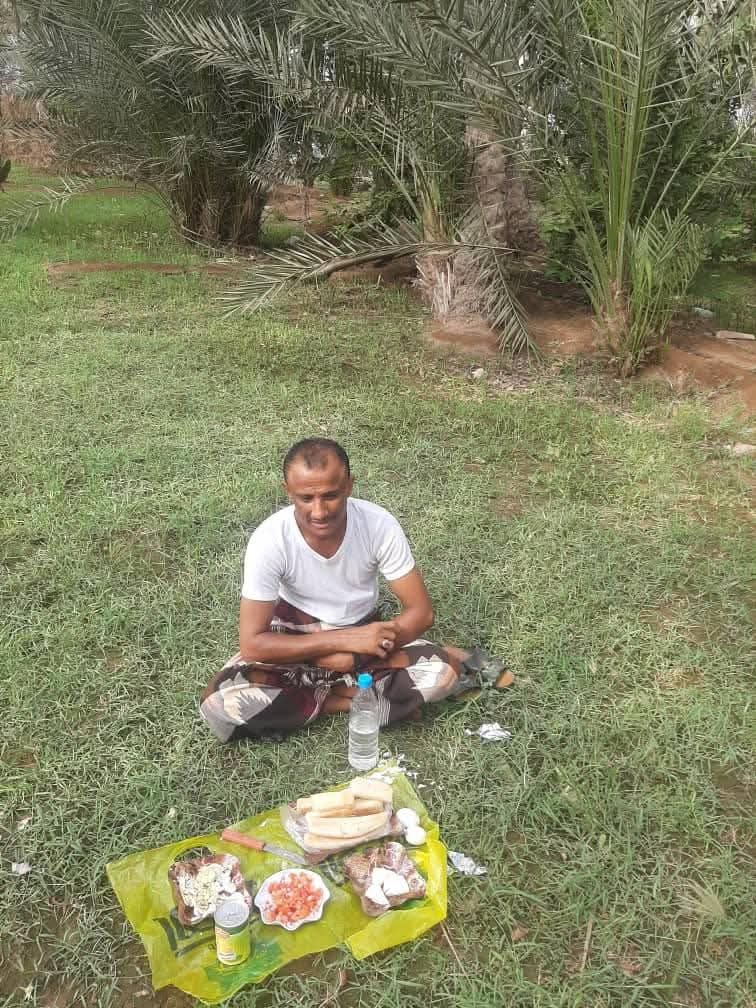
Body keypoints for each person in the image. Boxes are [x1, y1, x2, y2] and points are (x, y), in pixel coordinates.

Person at [201, 438, 508, 742]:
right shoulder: (269, 540)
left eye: (331, 495)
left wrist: (357, 655)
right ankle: (347, 701)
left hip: (366, 639)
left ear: (349, 486)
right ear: (288, 491)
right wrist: (342, 643)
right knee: (219, 702)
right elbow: (253, 644)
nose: (319, 511)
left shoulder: (378, 525)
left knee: (442, 673)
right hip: (295, 642)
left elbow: (421, 612)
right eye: (306, 498)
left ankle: (319, 696)